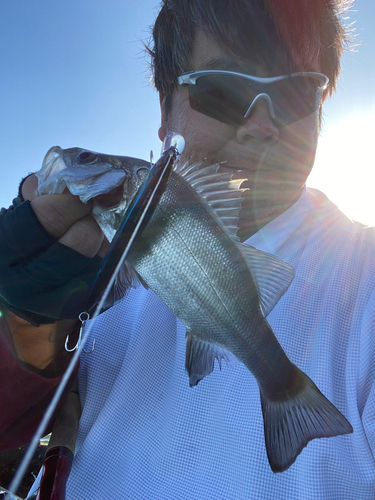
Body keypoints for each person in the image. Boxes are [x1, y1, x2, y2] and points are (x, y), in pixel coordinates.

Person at [1, 0, 374, 498]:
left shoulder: (364, 281)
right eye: (223, 89)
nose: (260, 126)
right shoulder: (92, 272)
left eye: (296, 94)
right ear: (165, 109)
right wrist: (27, 319)